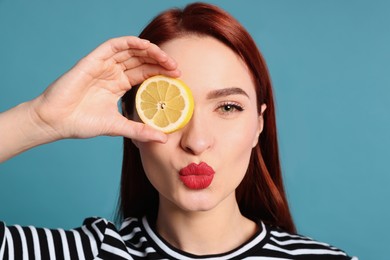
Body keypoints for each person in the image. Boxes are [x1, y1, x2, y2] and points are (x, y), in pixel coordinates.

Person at [0, 2, 357, 260]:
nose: (197, 141)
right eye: (168, 110)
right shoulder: (89, 253)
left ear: (259, 125)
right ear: (133, 123)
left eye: (228, 107)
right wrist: (40, 119)